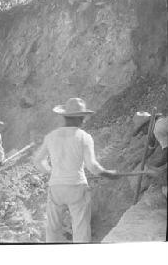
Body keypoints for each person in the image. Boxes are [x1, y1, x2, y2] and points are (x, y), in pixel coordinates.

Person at [33, 98, 118, 243]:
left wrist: (50, 172)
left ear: (65, 116)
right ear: (79, 117)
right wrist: (107, 173)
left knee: (52, 229)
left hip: (56, 187)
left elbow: (37, 160)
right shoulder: (84, 137)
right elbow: (92, 166)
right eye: (83, 117)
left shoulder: (51, 136)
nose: (84, 120)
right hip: (77, 186)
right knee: (81, 228)